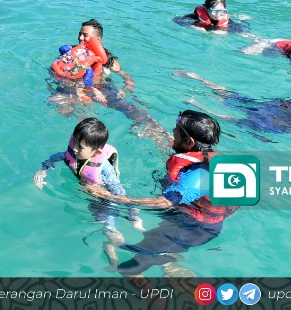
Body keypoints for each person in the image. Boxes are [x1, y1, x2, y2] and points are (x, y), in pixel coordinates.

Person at [88, 111, 236, 276]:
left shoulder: (198, 175)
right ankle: (168, 260)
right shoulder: (200, 155)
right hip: (189, 217)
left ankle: (155, 297)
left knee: (128, 269)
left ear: (189, 142)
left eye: (177, 130)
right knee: (154, 246)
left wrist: (109, 196)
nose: (173, 131)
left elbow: (163, 203)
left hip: (195, 228)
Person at [32, 118, 143, 268]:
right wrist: (42, 171)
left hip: (104, 195)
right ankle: (111, 243)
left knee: (108, 219)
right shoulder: (72, 154)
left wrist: (131, 212)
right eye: (75, 143)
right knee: (105, 222)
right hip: (91, 195)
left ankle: (122, 229)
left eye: (81, 147)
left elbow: (119, 192)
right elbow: (53, 158)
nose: (75, 149)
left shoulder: (104, 168)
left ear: (96, 152)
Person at [49, 20, 167, 147]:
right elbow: (55, 70)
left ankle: (157, 131)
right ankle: (84, 133)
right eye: (79, 34)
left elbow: (124, 75)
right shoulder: (71, 53)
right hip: (73, 87)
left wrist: (127, 85)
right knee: (57, 103)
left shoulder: (107, 59)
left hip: (102, 89)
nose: (80, 38)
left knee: (128, 108)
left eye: (85, 35)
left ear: (97, 39)